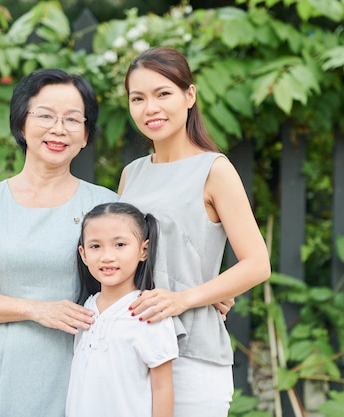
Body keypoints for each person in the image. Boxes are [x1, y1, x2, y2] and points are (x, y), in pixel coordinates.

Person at [0, 69, 118, 417]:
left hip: (78, 374)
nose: (59, 129)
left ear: (85, 134)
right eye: (45, 115)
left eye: (72, 119)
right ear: (21, 124)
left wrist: (208, 293)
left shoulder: (106, 206)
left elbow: (138, 280)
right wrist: (37, 309)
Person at [118, 46, 272, 416]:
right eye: (137, 98)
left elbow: (256, 264)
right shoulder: (132, 174)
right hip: (130, 347)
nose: (150, 108)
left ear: (190, 95)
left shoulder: (214, 170)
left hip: (192, 353)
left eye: (162, 93)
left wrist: (186, 297)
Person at [66, 202, 178, 417]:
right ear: (83, 253)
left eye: (119, 245)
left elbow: (162, 387)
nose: (107, 256)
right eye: (95, 246)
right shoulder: (85, 310)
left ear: (143, 250)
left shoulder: (148, 312)